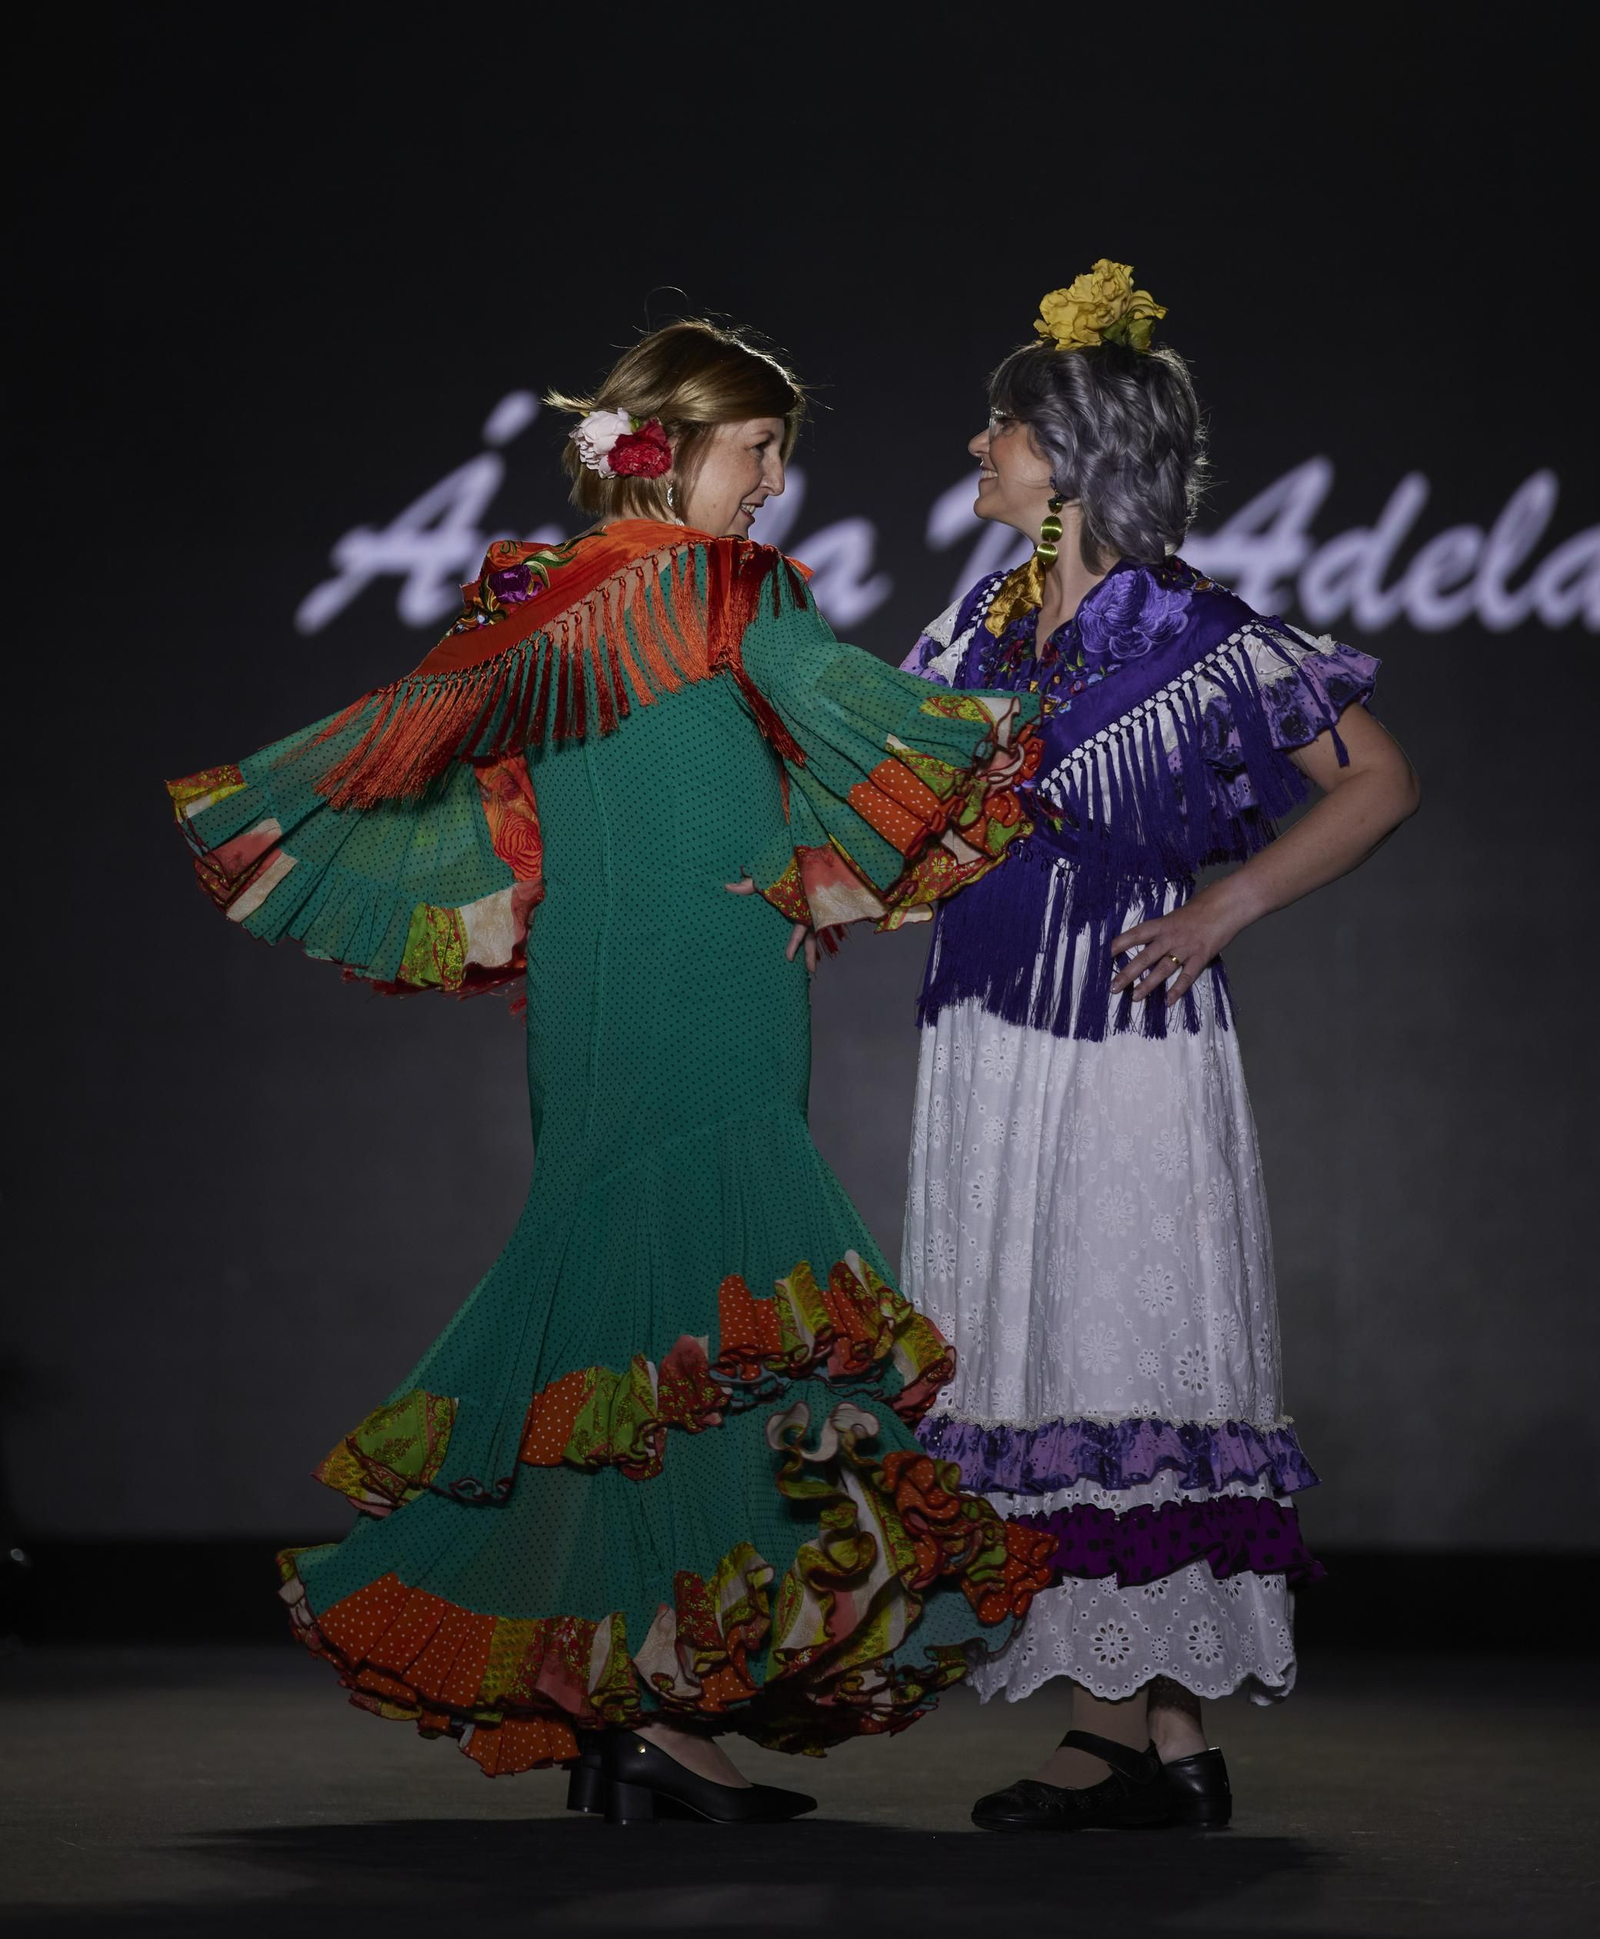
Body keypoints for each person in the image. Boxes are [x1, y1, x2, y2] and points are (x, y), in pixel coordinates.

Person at [167, 319, 1053, 1826]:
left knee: (633, 1332)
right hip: (709, 980)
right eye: (757, 449)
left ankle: (628, 1707)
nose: (773, 482)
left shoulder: (537, 597)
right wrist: (1029, 724)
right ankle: (651, 1710)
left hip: (592, 985)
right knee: (698, 1318)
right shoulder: (728, 587)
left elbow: (445, 754)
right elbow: (853, 720)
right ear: (674, 443)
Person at [899, 263, 1420, 1832]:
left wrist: (1225, 906)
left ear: (1067, 458)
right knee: (1042, 1358)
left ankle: (1127, 1737)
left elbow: (1379, 777)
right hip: (990, 1038)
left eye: (1003, 428)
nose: (980, 447)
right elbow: (897, 806)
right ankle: (1158, 1740)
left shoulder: (1198, 634)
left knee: (1113, 1355)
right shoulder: (977, 629)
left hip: (1119, 1043)